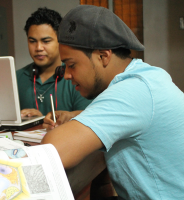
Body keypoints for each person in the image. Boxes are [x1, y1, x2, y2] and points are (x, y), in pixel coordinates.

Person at [42, 5, 184, 199]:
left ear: (103, 56)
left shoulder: (132, 90)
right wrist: (77, 116)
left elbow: (53, 151)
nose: (66, 75)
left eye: (71, 65)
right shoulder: (145, 77)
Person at [16, 7, 91, 117]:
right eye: (32, 41)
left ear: (60, 41)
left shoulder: (77, 77)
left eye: (46, 41)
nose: (38, 48)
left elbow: (90, 120)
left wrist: (42, 121)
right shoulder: (16, 78)